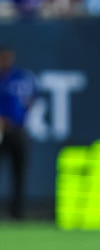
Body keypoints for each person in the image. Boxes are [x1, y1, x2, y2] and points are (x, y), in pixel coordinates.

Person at [0, 45, 37, 220]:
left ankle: (17, 214)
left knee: (19, 174)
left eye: (8, 57)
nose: (6, 61)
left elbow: (31, 98)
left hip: (17, 130)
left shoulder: (22, 77)